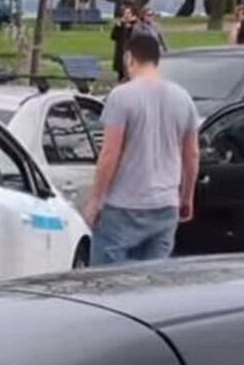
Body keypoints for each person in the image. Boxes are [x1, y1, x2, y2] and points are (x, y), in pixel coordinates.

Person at [84, 35, 200, 266]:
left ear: (129, 58)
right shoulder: (183, 98)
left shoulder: (121, 96)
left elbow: (110, 153)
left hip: (124, 205)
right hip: (166, 204)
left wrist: (95, 200)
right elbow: (192, 154)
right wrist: (186, 196)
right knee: (152, 283)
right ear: (158, 61)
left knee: (108, 283)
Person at [110, 4, 138, 82]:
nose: (127, 15)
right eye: (125, 13)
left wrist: (131, 26)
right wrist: (118, 26)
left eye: (129, 13)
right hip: (121, 53)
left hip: (132, 54)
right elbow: (113, 37)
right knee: (121, 76)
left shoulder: (135, 25)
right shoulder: (120, 25)